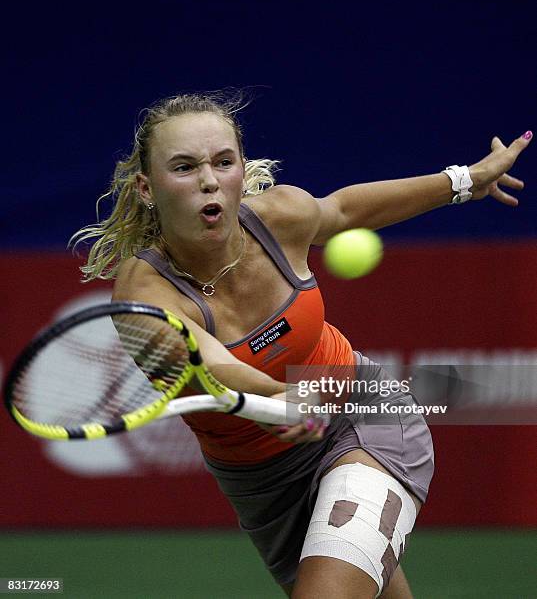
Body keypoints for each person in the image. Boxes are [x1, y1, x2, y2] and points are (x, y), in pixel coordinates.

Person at [71, 91, 531, 598]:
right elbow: (211, 362)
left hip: (363, 412)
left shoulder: (278, 217)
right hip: (265, 487)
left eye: (224, 162)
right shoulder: (142, 298)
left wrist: (466, 180)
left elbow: (345, 209)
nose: (208, 180)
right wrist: (278, 396)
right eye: (184, 167)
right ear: (146, 187)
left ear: (241, 171)